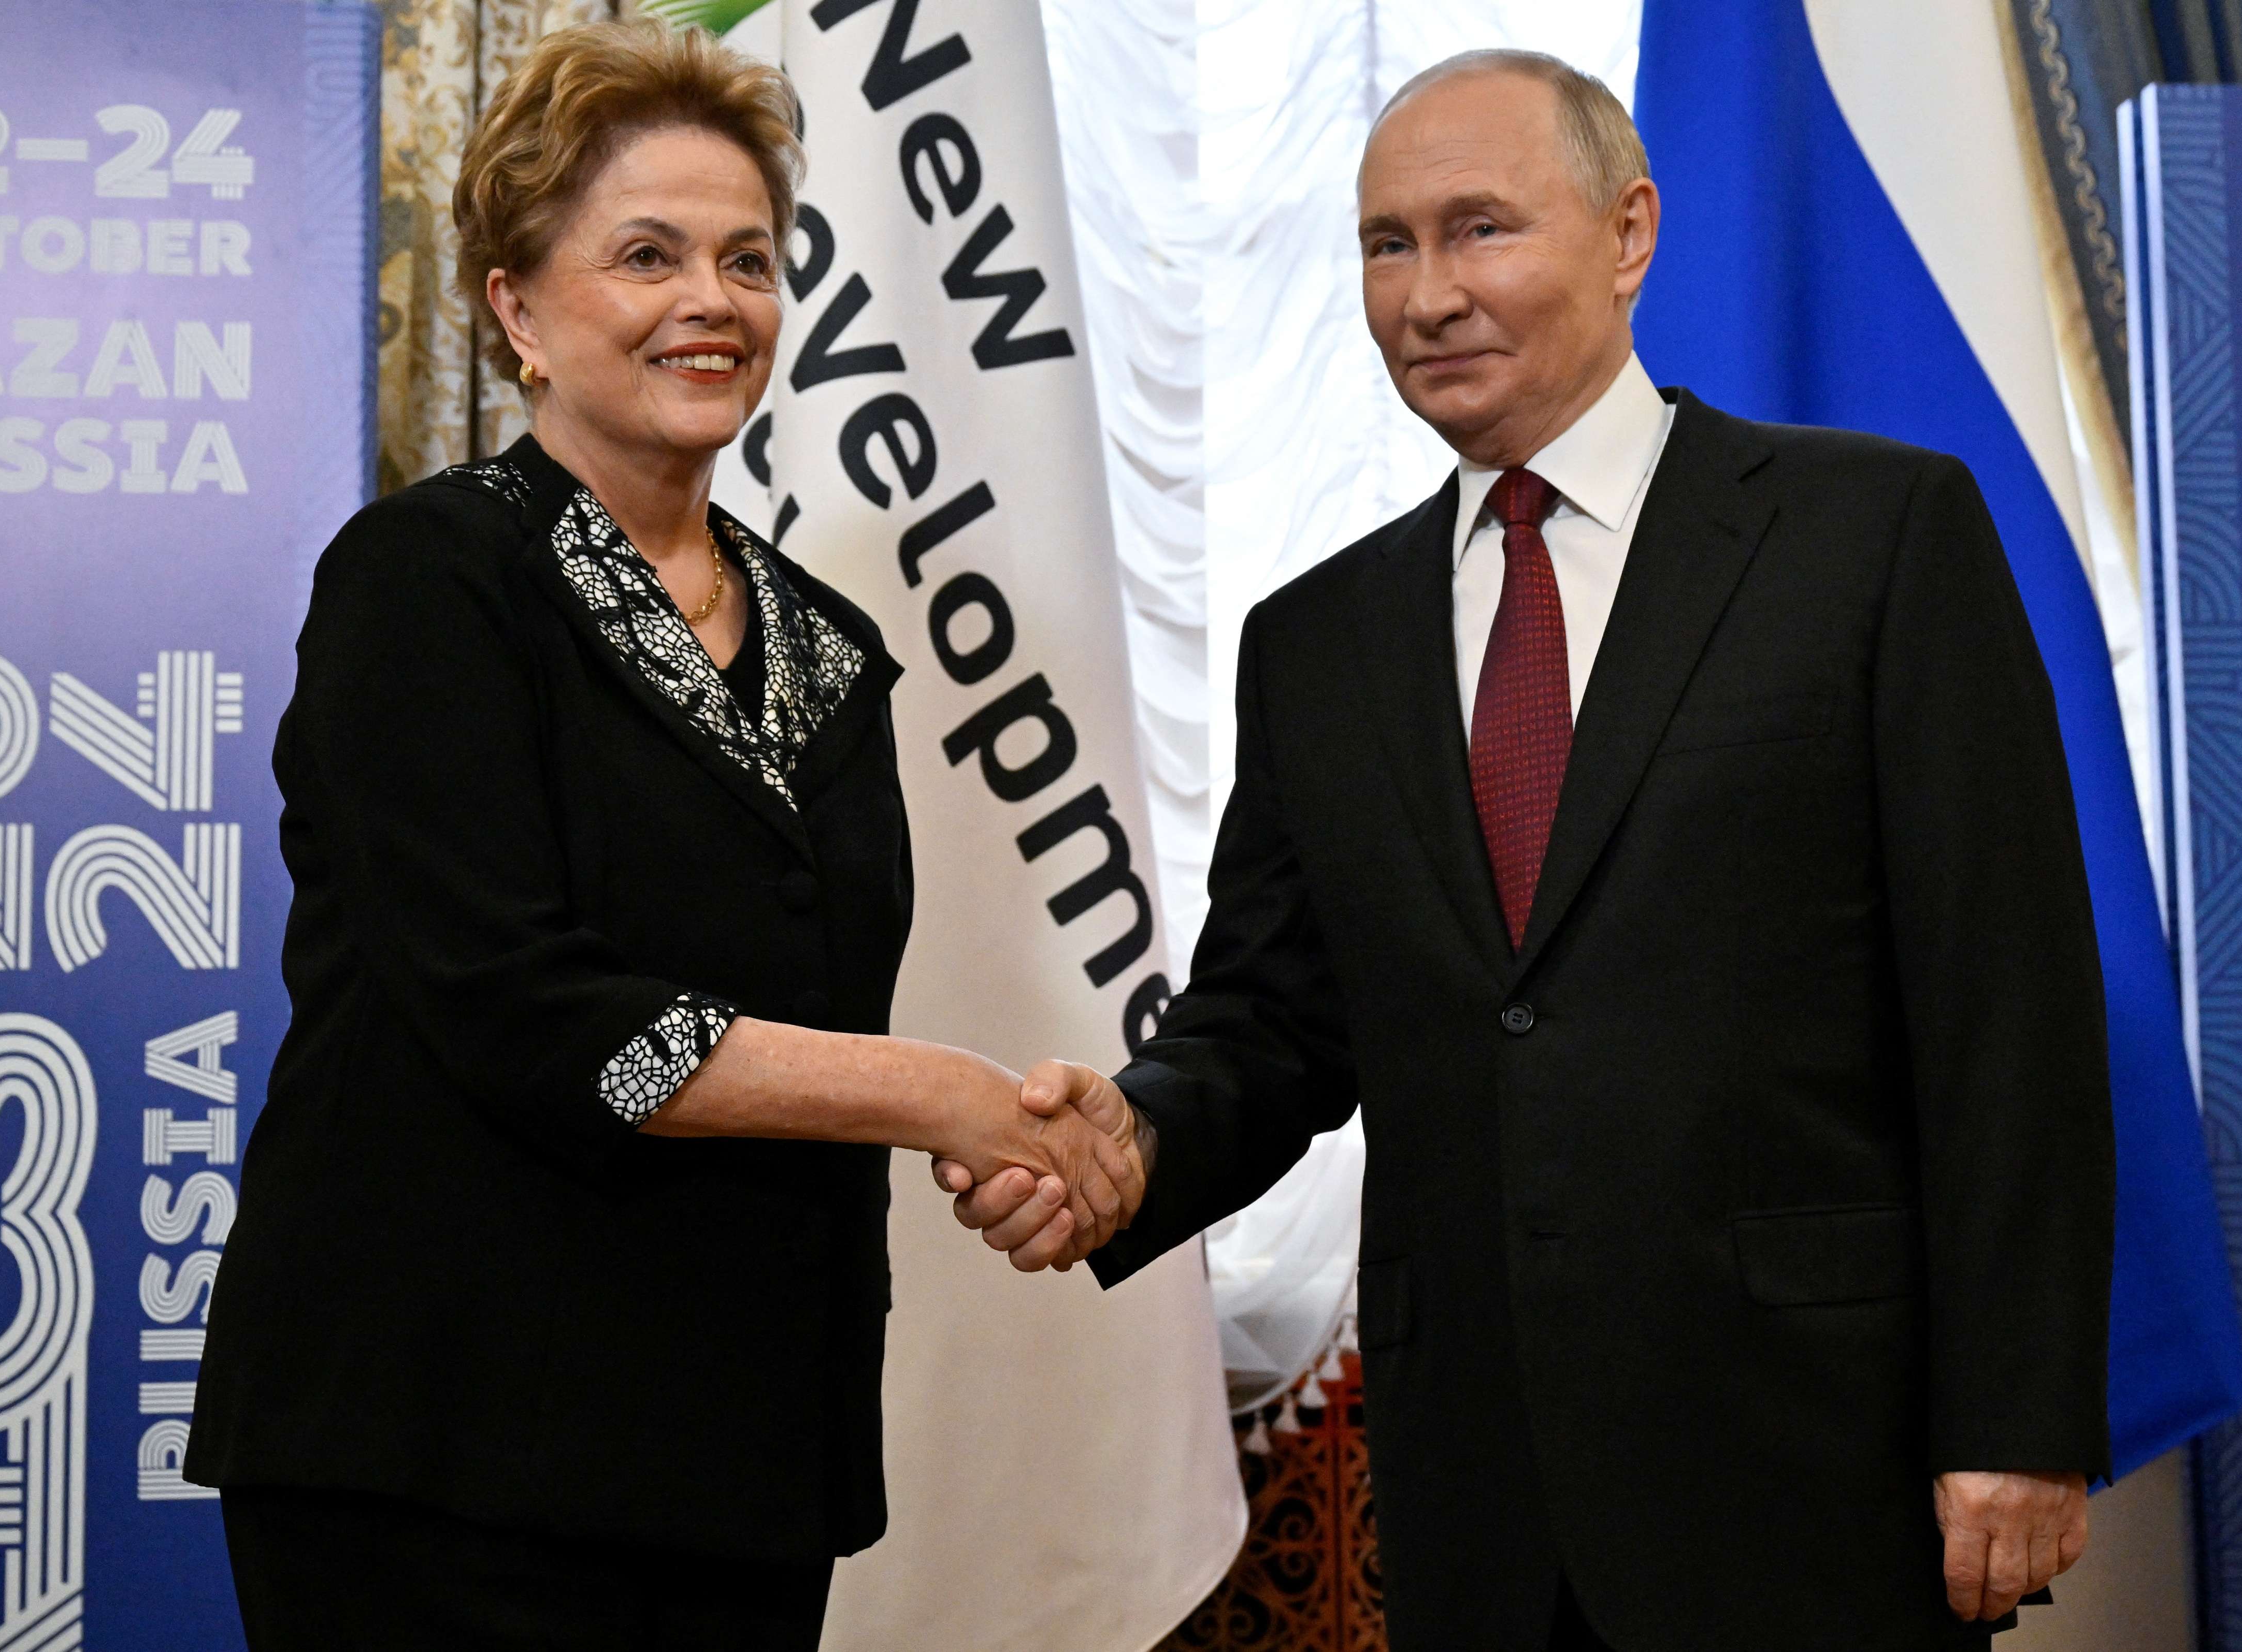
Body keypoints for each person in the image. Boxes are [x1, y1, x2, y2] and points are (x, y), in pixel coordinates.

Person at [942, 48, 2114, 1652]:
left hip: (1812, 1469)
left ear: (1628, 233)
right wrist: (1131, 1146)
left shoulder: (1874, 538)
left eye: (1480, 228)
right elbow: (1275, 1025)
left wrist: (2017, 1419)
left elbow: (2011, 1013)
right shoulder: (1318, 640)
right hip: (1481, 1494)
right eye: (1385, 244)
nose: (1427, 294)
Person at [184, 20, 1139, 1652]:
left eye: (749, 260)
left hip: (743, 1454)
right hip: (446, 1453)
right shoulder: (425, 583)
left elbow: (806, 997)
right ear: (517, 312)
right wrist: (948, 1097)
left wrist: (1033, 1148)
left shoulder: (829, 646)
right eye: (647, 255)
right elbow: (528, 1016)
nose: (713, 300)